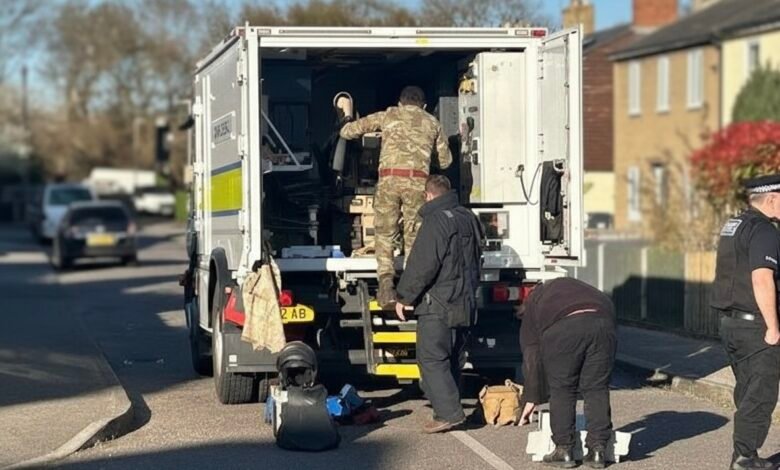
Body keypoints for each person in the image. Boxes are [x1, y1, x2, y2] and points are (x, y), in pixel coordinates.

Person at [339, 86, 453, 308]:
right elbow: (446, 162)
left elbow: (348, 132)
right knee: (414, 235)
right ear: (424, 105)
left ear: (401, 103)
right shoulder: (432, 122)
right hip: (418, 183)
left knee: (384, 233)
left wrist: (346, 119)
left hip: (389, 180)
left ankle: (385, 285)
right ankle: (410, 289)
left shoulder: (389, 114)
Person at [394, 175, 483, 434]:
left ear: (428, 195)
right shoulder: (469, 217)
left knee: (432, 358)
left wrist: (404, 297)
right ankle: (448, 408)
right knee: (452, 358)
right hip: (464, 301)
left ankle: (448, 413)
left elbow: (423, 265)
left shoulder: (435, 221)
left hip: (439, 303)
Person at [711, 174, 780, 470]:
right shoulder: (765, 230)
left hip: (731, 324)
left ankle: (742, 453)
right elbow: (762, 278)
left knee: (747, 390)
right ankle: (744, 458)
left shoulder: (734, 225)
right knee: (760, 394)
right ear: (773, 198)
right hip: (755, 326)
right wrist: (774, 328)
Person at [517, 277, 616, 469]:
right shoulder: (572, 286)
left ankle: (564, 450)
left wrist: (531, 397)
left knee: (563, 389)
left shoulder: (533, 304)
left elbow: (532, 355)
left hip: (565, 327)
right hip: (603, 322)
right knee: (596, 388)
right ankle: (598, 450)